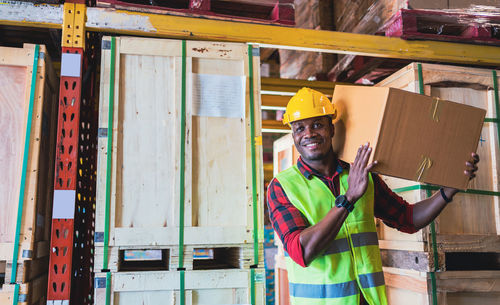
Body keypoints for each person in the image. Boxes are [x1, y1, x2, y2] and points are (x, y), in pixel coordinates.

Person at [267, 87, 479, 305]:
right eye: (300, 128)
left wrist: (450, 189)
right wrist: (348, 199)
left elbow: (408, 219)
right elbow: (302, 252)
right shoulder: (282, 187)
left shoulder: (360, 174)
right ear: (293, 135)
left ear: (331, 129)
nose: (309, 134)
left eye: (318, 125)